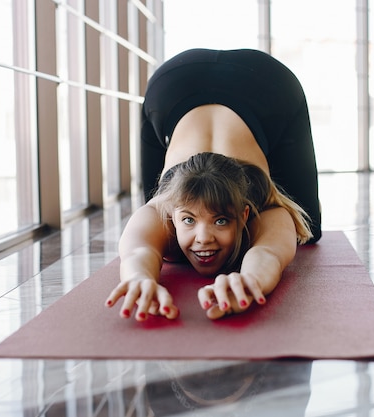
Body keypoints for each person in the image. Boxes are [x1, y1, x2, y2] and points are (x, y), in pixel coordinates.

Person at [105, 48, 321, 321]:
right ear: (172, 214)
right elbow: (138, 249)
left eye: (220, 220)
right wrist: (139, 278)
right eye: (188, 220)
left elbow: (269, 253)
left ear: (244, 214)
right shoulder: (160, 210)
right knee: (152, 205)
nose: (204, 238)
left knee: (309, 228)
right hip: (173, 83)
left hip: (268, 83)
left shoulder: (264, 208)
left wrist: (249, 280)